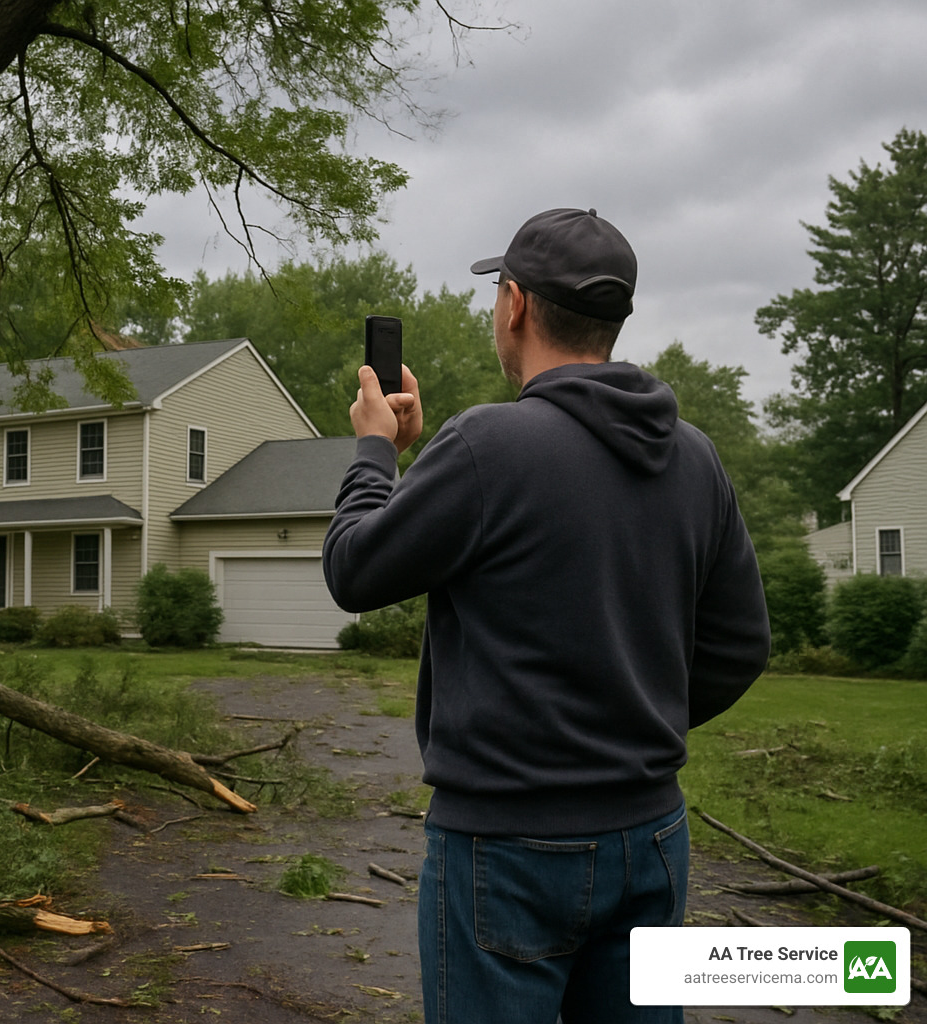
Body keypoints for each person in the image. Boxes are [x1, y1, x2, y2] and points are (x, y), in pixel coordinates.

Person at [322, 208, 771, 1024]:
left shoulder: (487, 446)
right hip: (652, 835)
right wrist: (636, 721)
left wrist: (377, 452)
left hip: (505, 850)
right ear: (612, 319)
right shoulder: (695, 457)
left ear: (516, 305)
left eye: (499, 293)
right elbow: (742, 644)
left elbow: (354, 569)